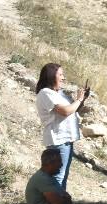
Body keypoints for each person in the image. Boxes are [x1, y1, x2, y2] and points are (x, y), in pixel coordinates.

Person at [34, 63, 87, 192]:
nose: (63, 78)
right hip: (58, 140)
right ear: (51, 76)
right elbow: (65, 111)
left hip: (66, 140)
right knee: (57, 176)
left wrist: (83, 99)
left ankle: (60, 202)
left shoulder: (58, 93)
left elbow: (72, 110)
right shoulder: (45, 93)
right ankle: (53, 203)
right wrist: (79, 100)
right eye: (60, 74)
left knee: (62, 176)